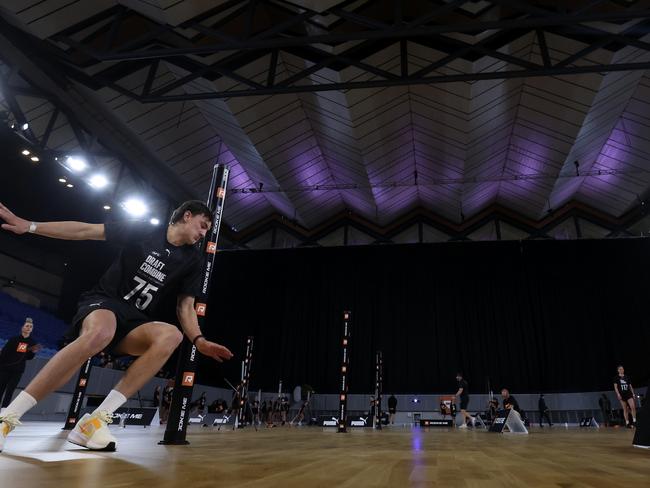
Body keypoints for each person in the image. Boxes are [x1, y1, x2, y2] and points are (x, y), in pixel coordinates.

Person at [0, 201, 233, 452]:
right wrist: (30, 226)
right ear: (187, 216)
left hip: (133, 321)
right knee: (101, 331)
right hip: (104, 303)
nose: (203, 234)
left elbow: (185, 307)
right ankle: (7, 419)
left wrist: (199, 340)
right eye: (202, 226)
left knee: (171, 335)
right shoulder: (144, 231)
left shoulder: (194, 260)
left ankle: (95, 422)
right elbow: (85, 231)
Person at [0, 318, 41, 409]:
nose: (28, 328)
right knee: (0, 389)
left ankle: (4, 411)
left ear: (32, 329)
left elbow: (29, 357)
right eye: (27, 326)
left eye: (30, 327)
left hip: (18, 371)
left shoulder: (32, 342)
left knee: (10, 391)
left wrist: (33, 353)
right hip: (5, 368)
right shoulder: (14, 339)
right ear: (22, 328)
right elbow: (4, 353)